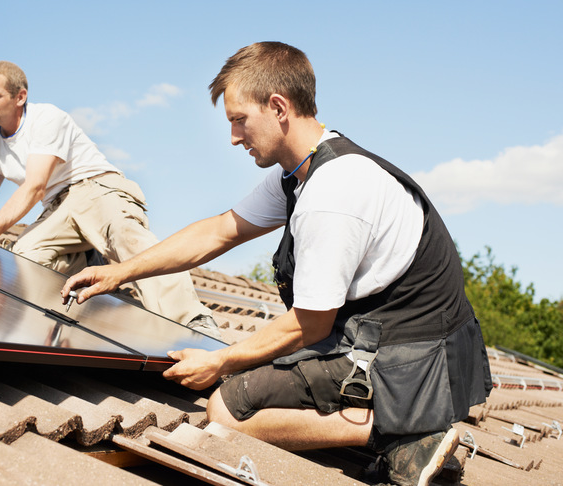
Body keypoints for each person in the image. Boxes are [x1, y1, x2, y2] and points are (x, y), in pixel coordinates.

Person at [61, 42, 492, 485]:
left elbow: (310, 323)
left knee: (226, 410)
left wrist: (221, 362)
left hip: (410, 361)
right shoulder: (303, 172)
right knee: (255, 366)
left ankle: (399, 429)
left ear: (278, 107)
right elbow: (220, 231)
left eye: (238, 120)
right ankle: (395, 421)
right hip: (407, 344)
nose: (233, 137)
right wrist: (120, 271)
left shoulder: (333, 192)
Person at [0, 61, 219, 339]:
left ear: (19, 96)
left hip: (96, 189)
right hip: (58, 209)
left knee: (126, 237)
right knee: (26, 257)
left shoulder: (47, 118)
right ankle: (91, 291)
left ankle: (195, 325)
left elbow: (35, 186)